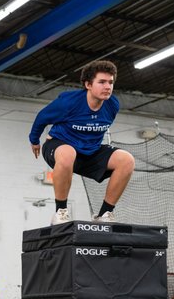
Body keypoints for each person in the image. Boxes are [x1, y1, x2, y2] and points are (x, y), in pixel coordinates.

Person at [29, 60, 135, 225]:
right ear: (88, 84)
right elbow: (42, 118)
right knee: (68, 153)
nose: (108, 86)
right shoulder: (68, 102)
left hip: (89, 152)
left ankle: (105, 213)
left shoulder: (112, 105)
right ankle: (61, 211)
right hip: (59, 145)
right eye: (101, 82)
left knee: (127, 160)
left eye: (110, 82)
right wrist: (34, 140)